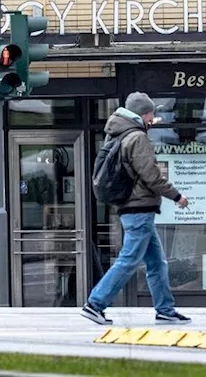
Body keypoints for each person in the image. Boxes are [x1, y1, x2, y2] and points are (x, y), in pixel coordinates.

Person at [81, 92, 192, 326]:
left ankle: (165, 310)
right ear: (143, 113)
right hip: (139, 208)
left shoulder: (118, 134)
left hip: (134, 208)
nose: (154, 118)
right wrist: (176, 195)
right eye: (152, 113)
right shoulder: (137, 137)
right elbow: (151, 176)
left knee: (156, 262)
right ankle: (95, 303)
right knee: (129, 259)